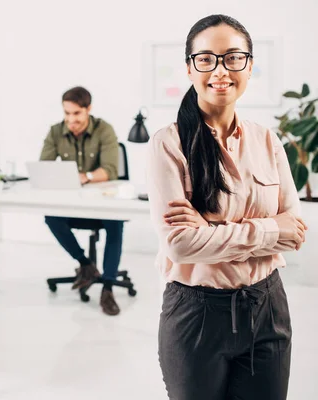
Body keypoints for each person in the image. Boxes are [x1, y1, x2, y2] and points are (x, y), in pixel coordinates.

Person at [147, 14, 308, 399]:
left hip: (267, 306)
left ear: (249, 66)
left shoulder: (267, 140)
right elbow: (181, 245)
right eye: (206, 59)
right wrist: (270, 230)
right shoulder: (169, 145)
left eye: (233, 57)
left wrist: (209, 232)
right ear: (190, 68)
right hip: (196, 315)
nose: (220, 70)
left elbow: (296, 231)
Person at [40, 86, 123, 316]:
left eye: (76, 114)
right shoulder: (56, 131)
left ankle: (107, 287)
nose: (71, 120)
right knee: (51, 216)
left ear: (88, 110)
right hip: (73, 204)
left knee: (115, 223)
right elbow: (44, 167)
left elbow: (110, 170)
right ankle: (86, 264)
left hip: (101, 204)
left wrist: (85, 177)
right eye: (67, 114)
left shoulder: (104, 130)